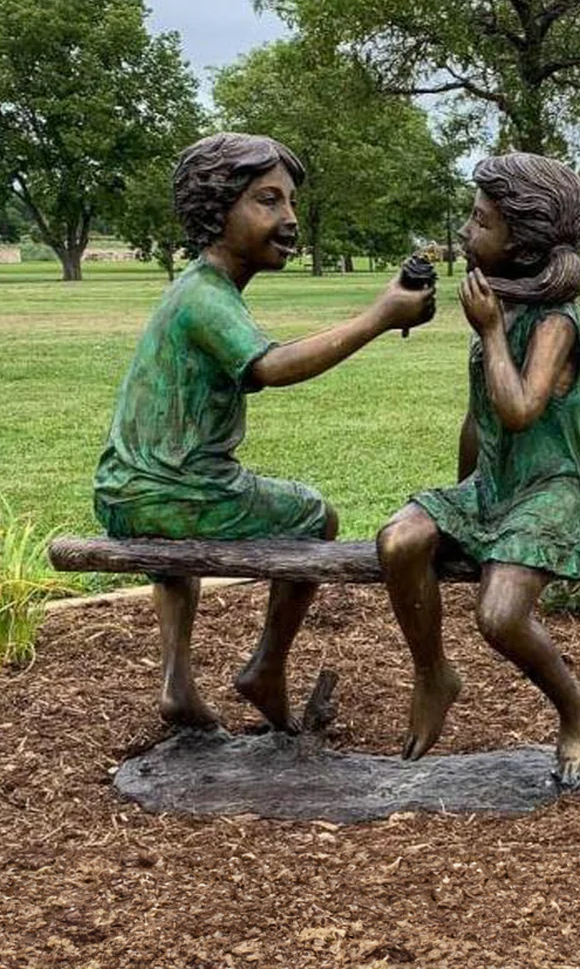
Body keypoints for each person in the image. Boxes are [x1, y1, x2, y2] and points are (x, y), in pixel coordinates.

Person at [94, 132, 435, 731]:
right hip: (175, 491)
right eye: (268, 201)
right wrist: (380, 318)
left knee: (176, 559)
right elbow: (271, 366)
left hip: (126, 488)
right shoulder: (205, 298)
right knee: (314, 516)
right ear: (216, 209)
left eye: (291, 203)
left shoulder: (198, 290)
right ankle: (266, 666)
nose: (290, 218)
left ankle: (178, 685)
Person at [376, 152, 580, 787]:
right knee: (400, 540)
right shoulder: (496, 306)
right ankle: (433, 675)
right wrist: (461, 502)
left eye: (481, 223)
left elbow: (520, 409)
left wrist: (493, 334)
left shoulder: (553, 321)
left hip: (549, 491)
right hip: (494, 488)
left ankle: (578, 709)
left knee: (500, 617)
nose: (467, 234)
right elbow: (478, 418)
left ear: (524, 247)